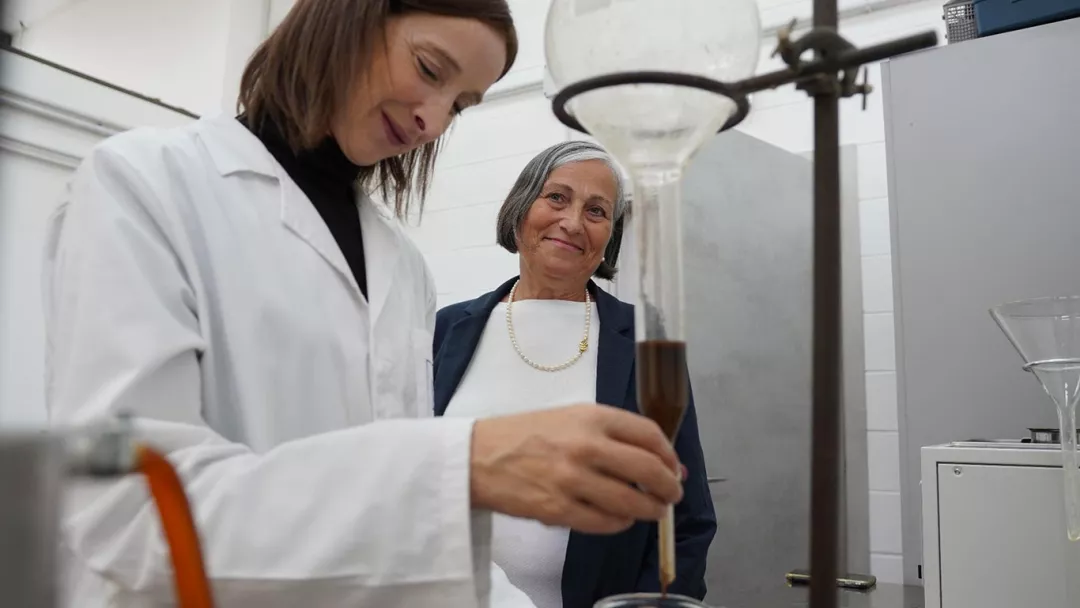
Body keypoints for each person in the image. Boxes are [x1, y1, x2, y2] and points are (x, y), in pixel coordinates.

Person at [41, 2, 686, 607]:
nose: (432, 119)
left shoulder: (401, 268)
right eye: (431, 70)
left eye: (459, 105)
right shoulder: (146, 185)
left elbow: (412, 538)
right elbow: (126, 509)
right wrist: (461, 465)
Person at [432, 141, 717, 608]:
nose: (572, 222)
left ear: (609, 236)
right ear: (521, 208)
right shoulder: (448, 329)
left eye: (597, 210)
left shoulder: (644, 341)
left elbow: (686, 520)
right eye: (557, 198)